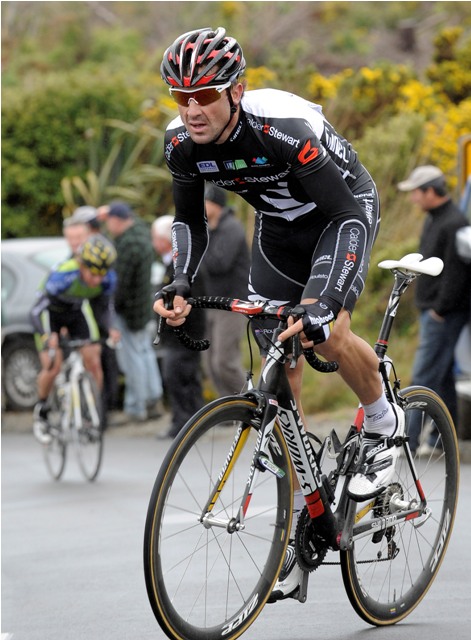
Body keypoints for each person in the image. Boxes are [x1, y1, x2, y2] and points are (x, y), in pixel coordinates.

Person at [154, 27, 405, 600]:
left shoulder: (281, 128)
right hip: (279, 231)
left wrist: (325, 302)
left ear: (236, 91)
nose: (192, 108)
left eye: (205, 94)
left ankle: (384, 416)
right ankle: (307, 522)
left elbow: (344, 215)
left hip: (340, 215)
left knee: (324, 334)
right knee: (276, 369)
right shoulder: (180, 145)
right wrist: (181, 281)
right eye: (179, 96)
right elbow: (192, 222)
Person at [397, 165, 471, 452]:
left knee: (424, 375)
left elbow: (457, 273)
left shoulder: (453, 223)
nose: (413, 198)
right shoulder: (436, 219)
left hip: (444, 313)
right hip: (437, 311)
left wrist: (440, 309)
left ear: (430, 191)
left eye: (416, 192)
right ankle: (440, 439)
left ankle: (408, 441)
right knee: (440, 376)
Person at [31, 235, 119, 443]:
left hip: (75, 312)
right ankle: (41, 410)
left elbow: (104, 307)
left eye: (102, 273)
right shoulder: (64, 274)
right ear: (82, 264)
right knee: (53, 365)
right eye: (94, 272)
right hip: (48, 315)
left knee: (94, 359)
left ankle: (90, 413)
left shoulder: (107, 278)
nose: (98, 279)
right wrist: (48, 335)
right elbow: (37, 311)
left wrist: (110, 328)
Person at [102, 201, 163, 422]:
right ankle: (153, 399)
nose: (108, 226)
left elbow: (121, 284)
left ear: (117, 221)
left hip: (129, 312)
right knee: (144, 353)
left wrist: (111, 309)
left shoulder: (127, 244)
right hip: (142, 308)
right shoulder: (140, 234)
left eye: (109, 221)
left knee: (133, 358)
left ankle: (136, 407)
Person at [151, 215, 206, 438]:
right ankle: (191, 421)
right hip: (179, 331)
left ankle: (184, 422)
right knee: (185, 375)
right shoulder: (168, 263)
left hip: (185, 329)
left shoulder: (181, 267)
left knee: (177, 374)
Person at [63, 206, 121, 414]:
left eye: (78, 237)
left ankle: (101, 411)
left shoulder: (100, 254)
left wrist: (111, 324)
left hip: (98, 317)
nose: (74, 242)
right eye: (70, 238)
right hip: (78, 318)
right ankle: (80, 410)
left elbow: (108, 296)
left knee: (101, 363)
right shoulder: (69, 262)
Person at [202, 183, 250, 396]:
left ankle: (253, 405)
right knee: (209, 363)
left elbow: (219, 264)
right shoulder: (210, 229)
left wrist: (199, 248)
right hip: (212, 302)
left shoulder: (231, 228)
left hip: (232, 303)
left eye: (205, 201)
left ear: (216, 204)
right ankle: (229, 409)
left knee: (224, 361)